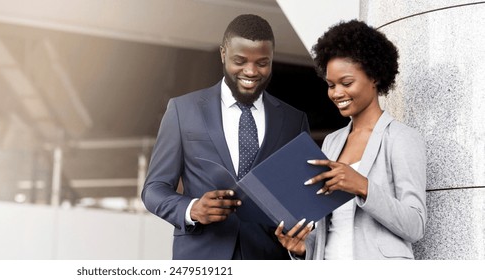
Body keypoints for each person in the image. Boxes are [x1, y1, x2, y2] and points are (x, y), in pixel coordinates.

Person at [141, 14, 309, 260]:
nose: (251, 72)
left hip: (268, 258)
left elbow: (300, 198)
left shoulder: (295, 121)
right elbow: (153, 189)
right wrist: (192, 209)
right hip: (201, 258)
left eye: (262, 63)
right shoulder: (182, 110)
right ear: (223, 53)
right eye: (240, 61)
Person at [274, 20, 427, 259]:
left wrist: (362, 187)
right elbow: (334, 227)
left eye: (346, 83)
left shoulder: (400, 138)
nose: (337, 93)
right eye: (331, 85)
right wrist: (304, 248)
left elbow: (415, 225)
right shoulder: (332, 142)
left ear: (374, 77)